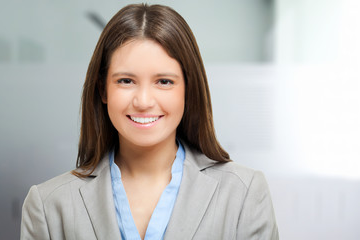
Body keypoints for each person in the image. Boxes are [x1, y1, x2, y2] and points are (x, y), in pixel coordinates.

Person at [21, 3, 278, 240]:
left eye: (164, 82)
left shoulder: (243, 194)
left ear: (188, 90)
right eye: (126, 81)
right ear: (102, 90)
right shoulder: (48, 206)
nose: (143, 101)